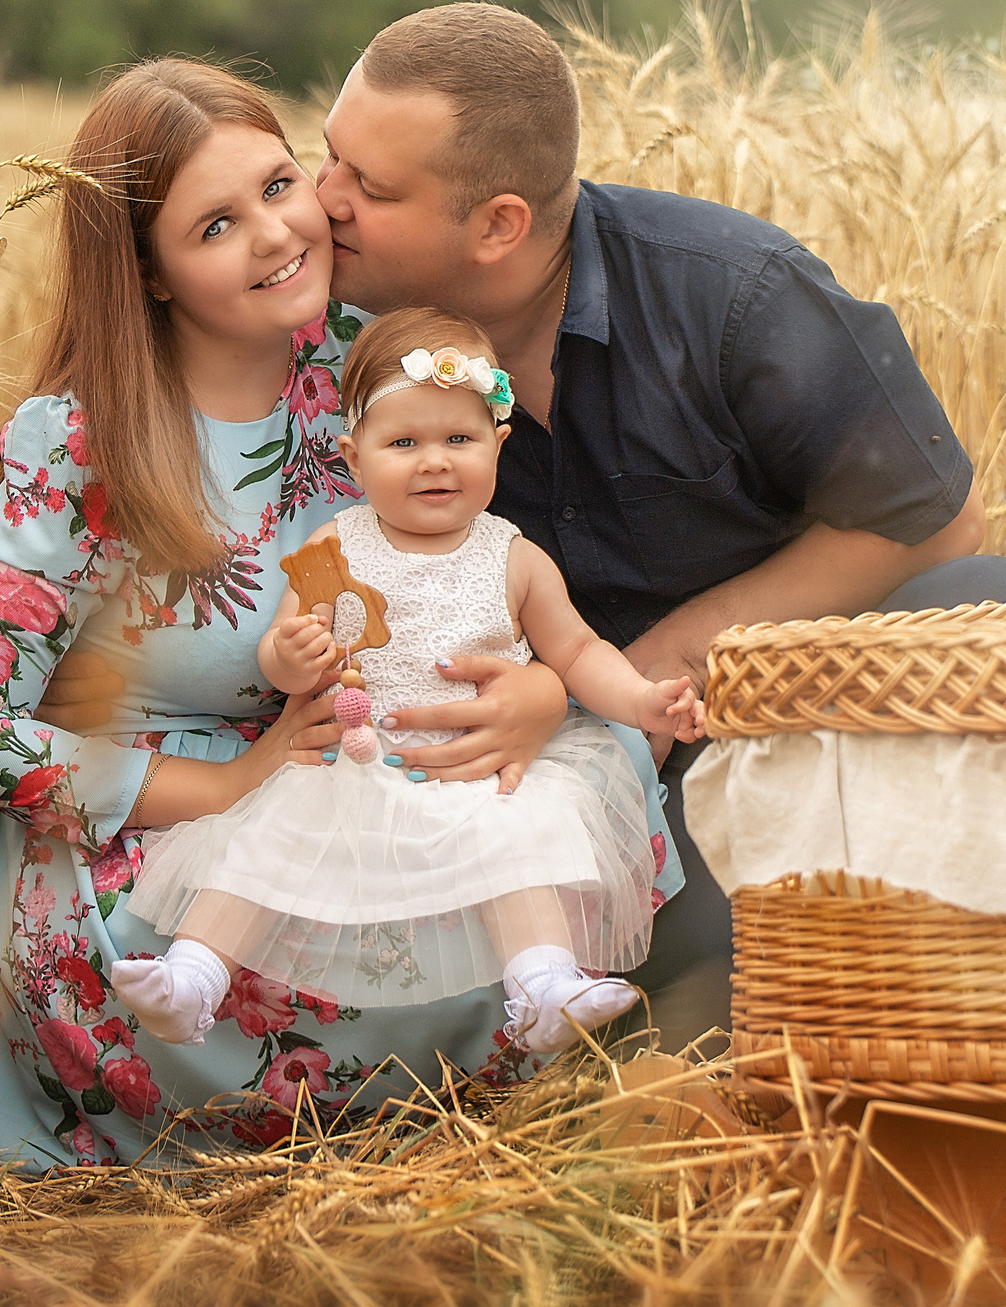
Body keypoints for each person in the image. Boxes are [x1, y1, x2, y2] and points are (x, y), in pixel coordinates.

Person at [41, 3, 1006, 1043]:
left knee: (994, 606)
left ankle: (919, 954)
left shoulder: (730, 297)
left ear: (498, 226)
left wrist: (613, 683)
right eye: (327, 158)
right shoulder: (335, 356)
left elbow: (937, 516)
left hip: (786, 708)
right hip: (552, 786)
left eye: (369, 188)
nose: (319, 205)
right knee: (665, 979)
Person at [0, 59, 684, 1171]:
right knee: (224, 943)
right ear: (153, 273)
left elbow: (508, 576)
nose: (276, 235)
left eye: (279, 185)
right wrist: (225, 784)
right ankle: (264, 1082)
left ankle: (501, 1027)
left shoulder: (376, 374)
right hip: (170, 825)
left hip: (370, 774)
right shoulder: (84, 443)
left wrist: (539, 691)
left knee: (593, 753)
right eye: (216, 225)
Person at [110, 307, 702, 1054]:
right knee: (263, 839)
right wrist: (294, 655)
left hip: (474, 771)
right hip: (352, 761)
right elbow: (281, 654)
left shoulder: (514, 558)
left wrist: (644, 697)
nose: (434, 460)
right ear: (354, 460)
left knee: (523, 833)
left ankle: (544, 987)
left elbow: (580, 654)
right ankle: (193, 976)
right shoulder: (337, 545)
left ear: (498, 443)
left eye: (460, 438)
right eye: (404, 442)